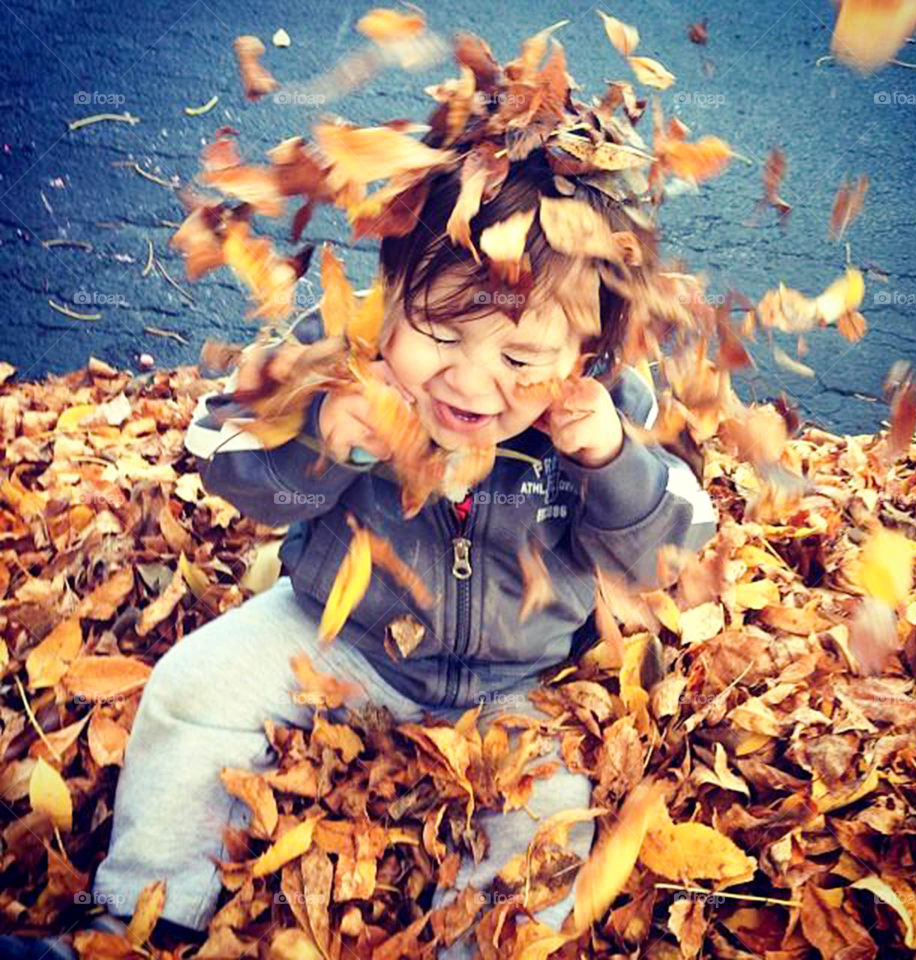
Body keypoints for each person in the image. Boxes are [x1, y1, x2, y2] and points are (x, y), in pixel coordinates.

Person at [81, 155, 717, 958]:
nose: (470, 379)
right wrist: (319, 437)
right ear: (391, 297)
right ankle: (140, 918)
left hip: (513, 685)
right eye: (441, 331)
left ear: (588, 355)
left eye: (521, 360)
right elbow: (217, 442)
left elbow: (682, 540)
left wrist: (610, 462)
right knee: (191, 688)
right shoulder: (339, 354)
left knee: (547, 818)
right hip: (338, 638)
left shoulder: (609, 409)